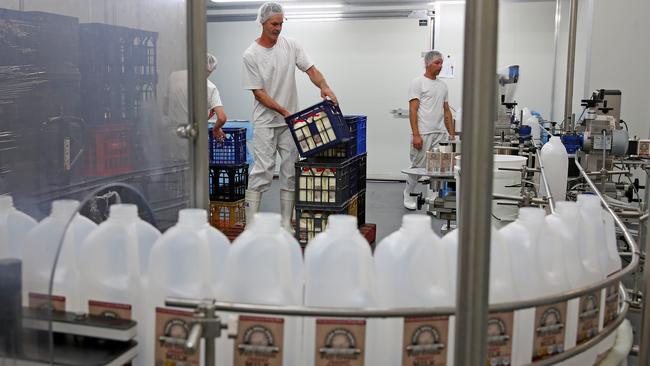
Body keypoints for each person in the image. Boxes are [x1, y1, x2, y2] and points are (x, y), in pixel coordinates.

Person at [242, 2, 337, 231]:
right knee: (262, 171)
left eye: (281, 23)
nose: (278, 28)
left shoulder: (291, 45)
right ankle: (250, 226)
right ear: (262, 23)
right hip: (267, 122)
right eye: (274, 24)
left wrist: (324, 86)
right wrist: (285, 111)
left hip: (290, 123)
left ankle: (286, 223)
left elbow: (311, 70)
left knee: (290, 172)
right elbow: (259, 93)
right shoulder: (251, 54)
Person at [404, 50, 455, 210]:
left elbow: (446, 111)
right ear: (427, 63)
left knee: (437, 168)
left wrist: (451, 134)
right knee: (417, 166)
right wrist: (416, 134)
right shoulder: (418, 82)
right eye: (437, 63)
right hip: (423, 133)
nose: (440, 66)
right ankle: (408, 194)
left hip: (440, 133)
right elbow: (413, 110)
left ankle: (432, 201)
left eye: (441, 63)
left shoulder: (443, 86)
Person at [166, 53, 227, 141]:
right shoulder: (210, 87)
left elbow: (166, 106)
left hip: (173, 134)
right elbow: (222, 118)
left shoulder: (174, 77)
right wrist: (216, 129)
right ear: (210, 70)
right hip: (193, 135)